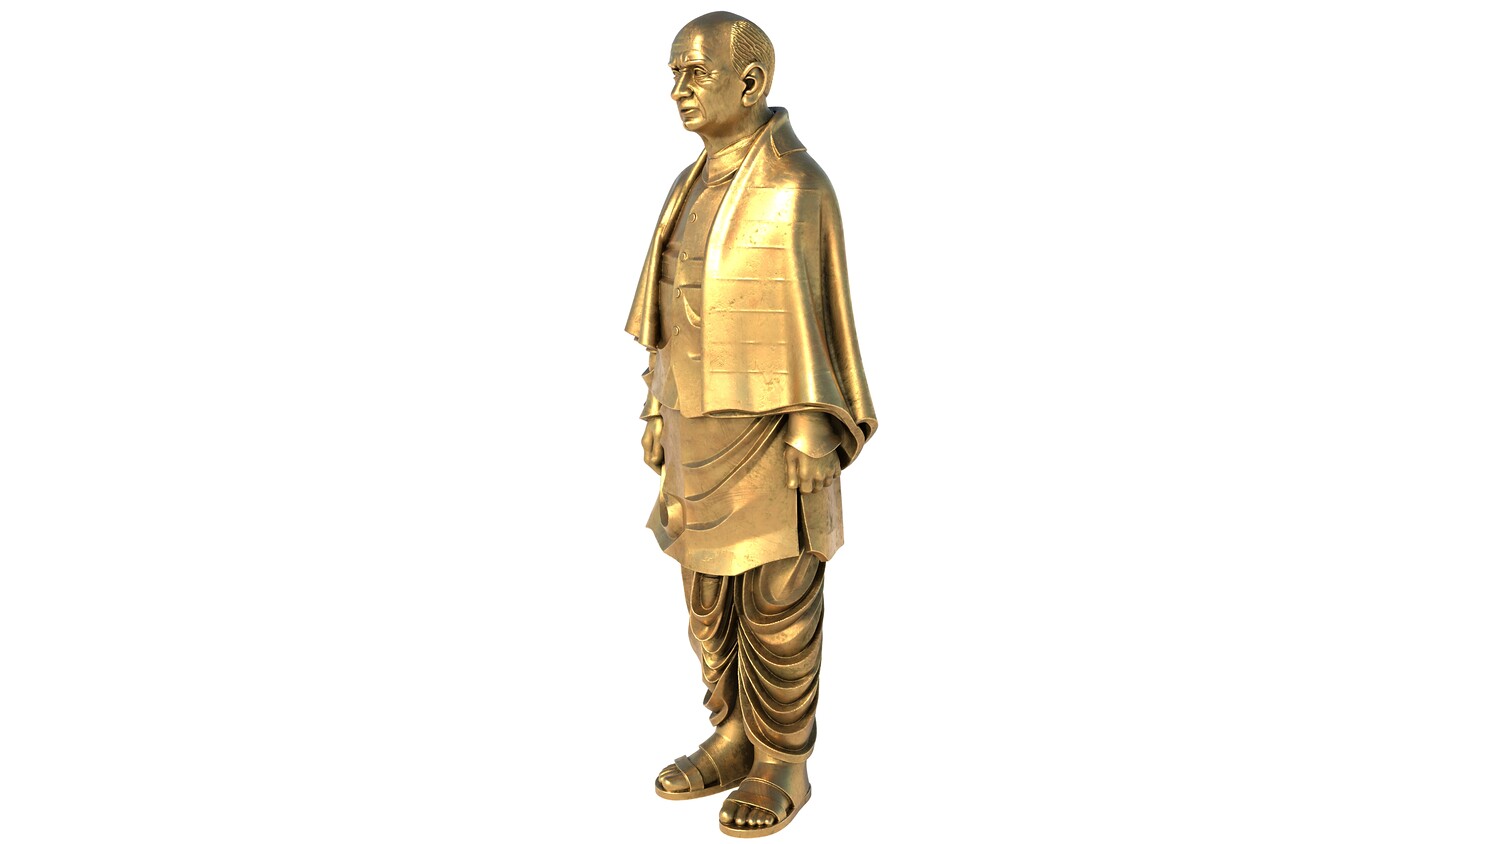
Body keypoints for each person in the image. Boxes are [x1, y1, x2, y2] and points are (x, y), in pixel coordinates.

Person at [624, 11, 877, 837]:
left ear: (752, 81)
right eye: (674, 74)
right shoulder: (686, 185)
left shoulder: (798, 186)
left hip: (771, 431)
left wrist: (810, 425)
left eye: (695, 72)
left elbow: (817, 317)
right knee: (707, 594)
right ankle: (732, 732)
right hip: (693, 422)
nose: (679, 89)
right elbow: (664, 309)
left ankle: (782, 762)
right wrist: (656, 405)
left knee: (777, 597)